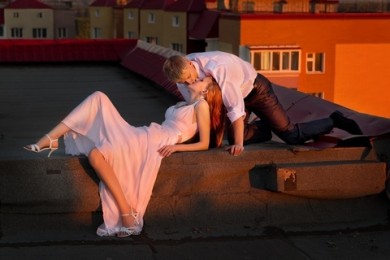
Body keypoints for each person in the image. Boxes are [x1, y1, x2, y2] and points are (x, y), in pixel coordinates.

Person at [24, 77, 225, 237]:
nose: (195, 79)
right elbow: (179, 72)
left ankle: (126, 214)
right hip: (148, 134)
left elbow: (204, 143)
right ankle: (50, 138)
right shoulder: (183, 103)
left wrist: (176, 147)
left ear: (206, 91)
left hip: (156, 142)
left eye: (201, 80)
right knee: (98, 101)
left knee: (96, 149)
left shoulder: (202, 106)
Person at [163, 51, 363, 156]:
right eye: (182, 82)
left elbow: (235, 111)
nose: (188, 83)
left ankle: (333, 120)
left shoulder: (218, 68)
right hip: (236, 94)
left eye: (189, 78)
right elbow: (195, 104)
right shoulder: (181, 73)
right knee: (232, 137)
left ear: (190, 64)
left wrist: (240, 145)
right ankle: (265, 129)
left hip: (256, 91)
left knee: (291, 136)